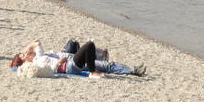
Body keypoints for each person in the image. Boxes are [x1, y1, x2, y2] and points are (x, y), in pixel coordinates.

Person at [10, 40, 146, 77]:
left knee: (106, 65)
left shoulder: (38, 58)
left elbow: (38, 43)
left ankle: (133, 70)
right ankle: (92, 71)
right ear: (25, 60)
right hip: (70, 65)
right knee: (89, 45)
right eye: (24, 54)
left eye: (26, 52)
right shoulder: (37, 60)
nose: (27, 53)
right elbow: (50, 69)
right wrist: (58, 63)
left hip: (69, 62)